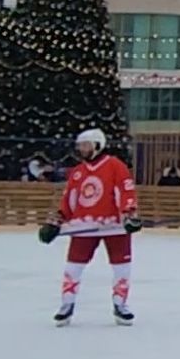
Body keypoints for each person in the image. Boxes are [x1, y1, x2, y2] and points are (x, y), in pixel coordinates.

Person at [37, 128, 139, 327]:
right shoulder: (78, 172)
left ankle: (120, 305)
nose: (82, 149)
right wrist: (56, 222)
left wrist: (129, 214)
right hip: (84, 226)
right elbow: (69, 201)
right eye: (80, 146)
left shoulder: (115, 166)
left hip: (114, 226)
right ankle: (67, 305)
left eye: (86, 145)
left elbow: (126, 191)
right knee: (73, 267)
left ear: (97, 145)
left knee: (121, 267)